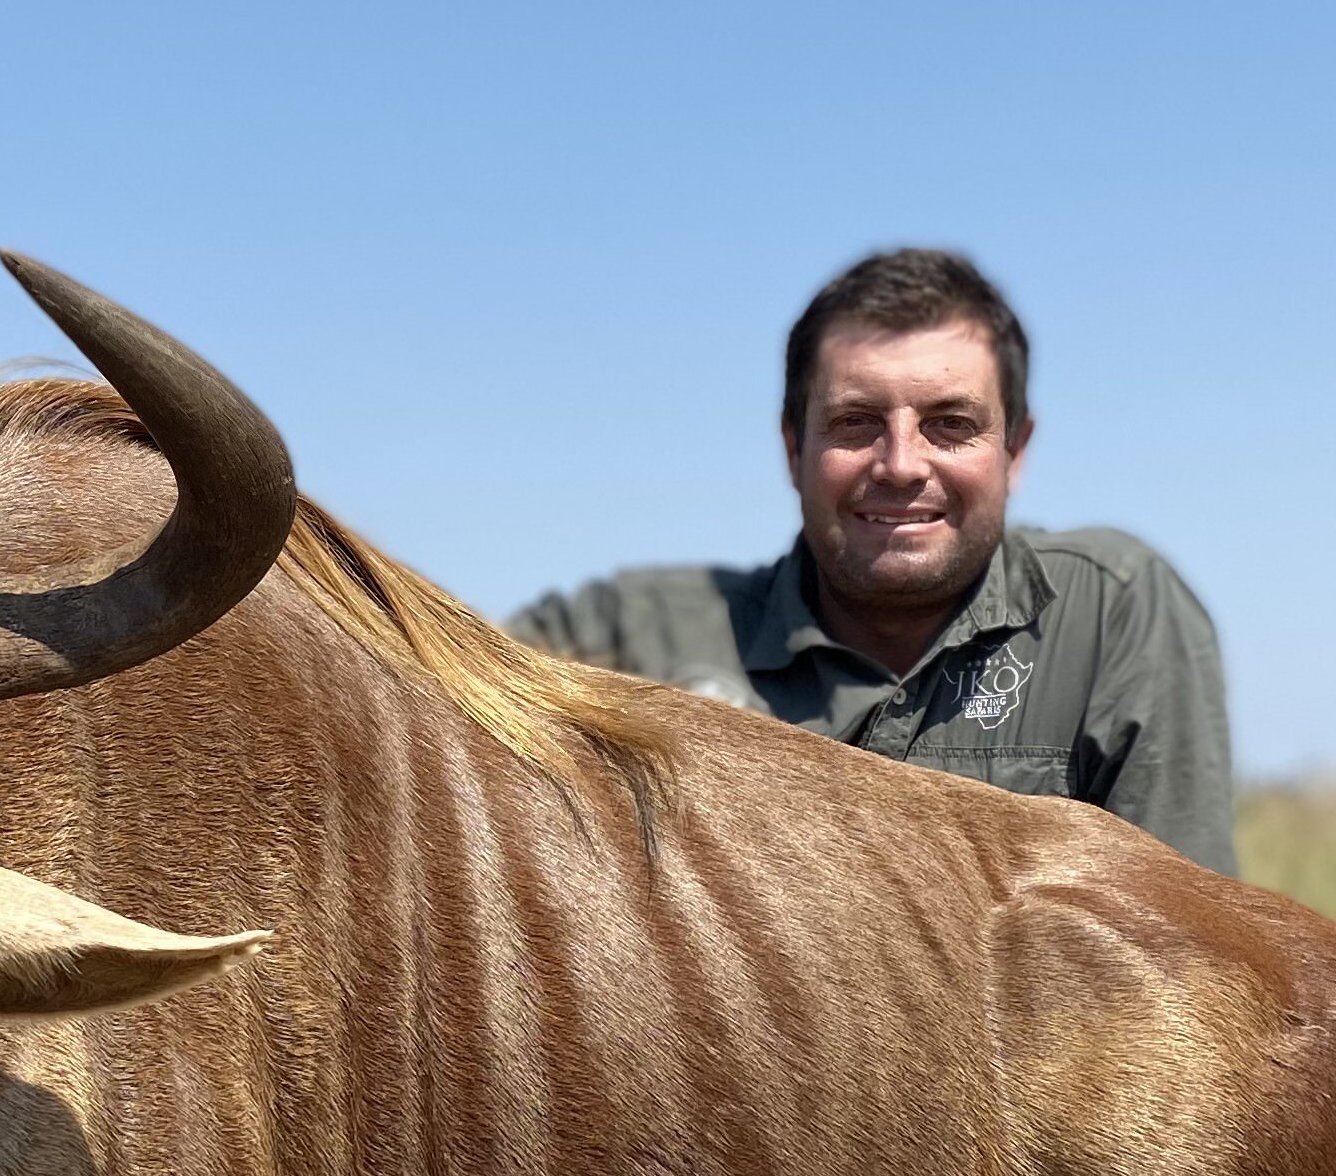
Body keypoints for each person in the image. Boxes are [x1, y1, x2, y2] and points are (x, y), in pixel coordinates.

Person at [508, 247, 1238, 874]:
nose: (898, 464)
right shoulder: (625, 635)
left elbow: (1179, 962)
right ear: (792, 448)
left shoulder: (1114, 611)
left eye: (949, 425)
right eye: (854, 423)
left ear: (1014, 450)